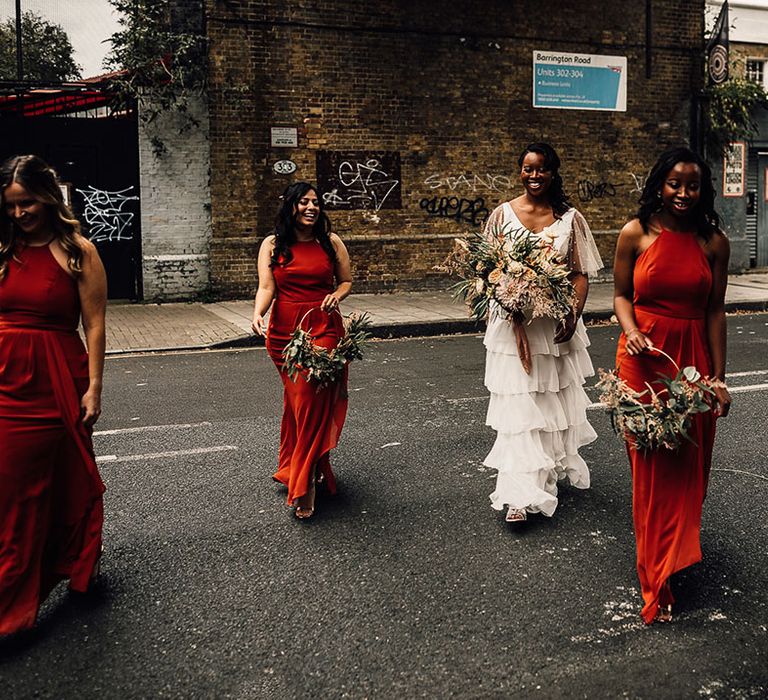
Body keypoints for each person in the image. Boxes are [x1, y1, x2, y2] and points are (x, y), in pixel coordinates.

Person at [613, 146, 731, 624]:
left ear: (703, 190)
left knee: (689, 470)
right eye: (674, 183)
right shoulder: (636, 233)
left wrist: (719, 378)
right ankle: (655, 577)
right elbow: (621, 295)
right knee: (652, 471)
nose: (683, 193)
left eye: (693, 185)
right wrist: (633, 329)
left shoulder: (713, 242)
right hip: (642, 360)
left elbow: (715, 311)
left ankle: (673, 551)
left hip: (692, 364)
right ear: (659, 184)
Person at [0, 155, 107, 635]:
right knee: (13, 491)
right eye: (11, 205)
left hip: (56, 376)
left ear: (47, 198)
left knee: (58, 479)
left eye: (27, 204)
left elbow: (96, 324)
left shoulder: (77, 251)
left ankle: (15, 607)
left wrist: (94, 387)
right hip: (5, 376)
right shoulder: (2, 248)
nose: (19, 214)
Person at [483, 143, 603, 523]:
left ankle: (545, 469)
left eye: (542, 170)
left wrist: (574, 312)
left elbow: (580, 273)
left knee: (550, 401)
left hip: (553, 325)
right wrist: (505, 295)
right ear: (519, 171)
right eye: (527, 169)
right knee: (519, 406)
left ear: (553, 173)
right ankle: (519, 494)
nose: (534, 176)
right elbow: (487, 266)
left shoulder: (570, 219)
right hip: (513, 326)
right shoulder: (502, 215)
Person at [252, 182, 352, 519]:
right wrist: (257, 313)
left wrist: (336, 296)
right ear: (290, 206)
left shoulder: (330, 241)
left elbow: (346, 281)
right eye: (304, 202)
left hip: (324, 328)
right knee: (298, 404)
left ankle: (304, 481)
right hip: (283, 334)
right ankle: (302, 464)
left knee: (308, 399)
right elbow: (267, 287)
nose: (311, 207)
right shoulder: (272, 244)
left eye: (316, 202)